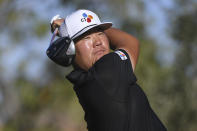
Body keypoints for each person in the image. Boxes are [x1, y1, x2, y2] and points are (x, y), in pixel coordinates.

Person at [49, 9, 167, 131]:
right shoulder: (107, 73)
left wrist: (67, 27)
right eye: (86, 37)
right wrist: (65, 23)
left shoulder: (83, 80)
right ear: (70, 49)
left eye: (100, 33)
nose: (98, 42)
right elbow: (130, 42)